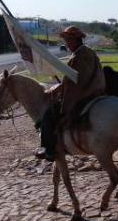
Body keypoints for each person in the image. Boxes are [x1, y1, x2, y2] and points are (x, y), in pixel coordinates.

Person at [35, 26, 106, 161]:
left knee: (48, 115)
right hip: (95, 91)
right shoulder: (86, 52)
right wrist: (61, 85)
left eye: (68, 40)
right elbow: (74, 78)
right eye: (65, 40)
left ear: (76, 40)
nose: (66, 43)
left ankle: (48, 150)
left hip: (85, 94)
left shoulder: (80, 56)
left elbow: (76, 84)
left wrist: (62, 95)